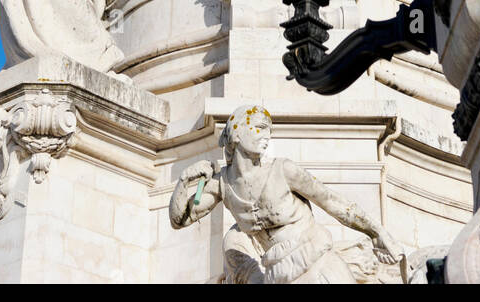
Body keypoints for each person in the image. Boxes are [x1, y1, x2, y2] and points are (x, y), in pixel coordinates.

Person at [169, 104, 402, 284]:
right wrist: (183, 181)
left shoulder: (283, 169)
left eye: (269, 130)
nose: (267, 136)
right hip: (279, 273)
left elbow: (333, 202)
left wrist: (377, 232)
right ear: (237, 134)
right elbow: (180, 219)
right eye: (259, 128)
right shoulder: (223, 184)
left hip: (318, 264)